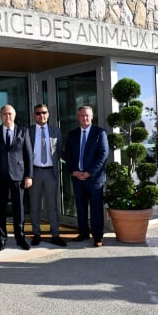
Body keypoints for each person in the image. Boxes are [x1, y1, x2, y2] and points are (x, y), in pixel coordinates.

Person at [0, 104, 33, 251]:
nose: (8, 117)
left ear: (14, 115)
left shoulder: (23, 131)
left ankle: (20, 238)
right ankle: (1, 239)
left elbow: (28, 155)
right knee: (0, 209)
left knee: (19, 209)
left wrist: (29, 175)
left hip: (18, 176)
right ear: (1, 116)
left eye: (10, 114)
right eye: (5, 114)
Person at [64, 106, 109, 247]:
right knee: (81, 207)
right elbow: (68, 155)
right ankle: (83, 233)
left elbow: (103, 155)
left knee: (96, 208)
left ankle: (97, 236)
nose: (85, 118)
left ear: (92, 116)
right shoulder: (73, 134)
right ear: (78, 117)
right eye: (82, 115)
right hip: (77, 178)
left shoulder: (99, 133)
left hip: (94, 178)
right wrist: (74, 171)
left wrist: (89, 172)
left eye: (87, 115)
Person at [28, 104, 66, 247]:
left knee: (52, 206)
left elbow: (61, 151)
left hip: (51, 172)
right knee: (35, 206)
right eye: (38, 113)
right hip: (35, 172)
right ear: (34, 115)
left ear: (48, 114)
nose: (41, 115)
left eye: (44, 113)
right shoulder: (29, 131)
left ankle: (55, 235)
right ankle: (36, 234)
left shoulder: (56, 131)